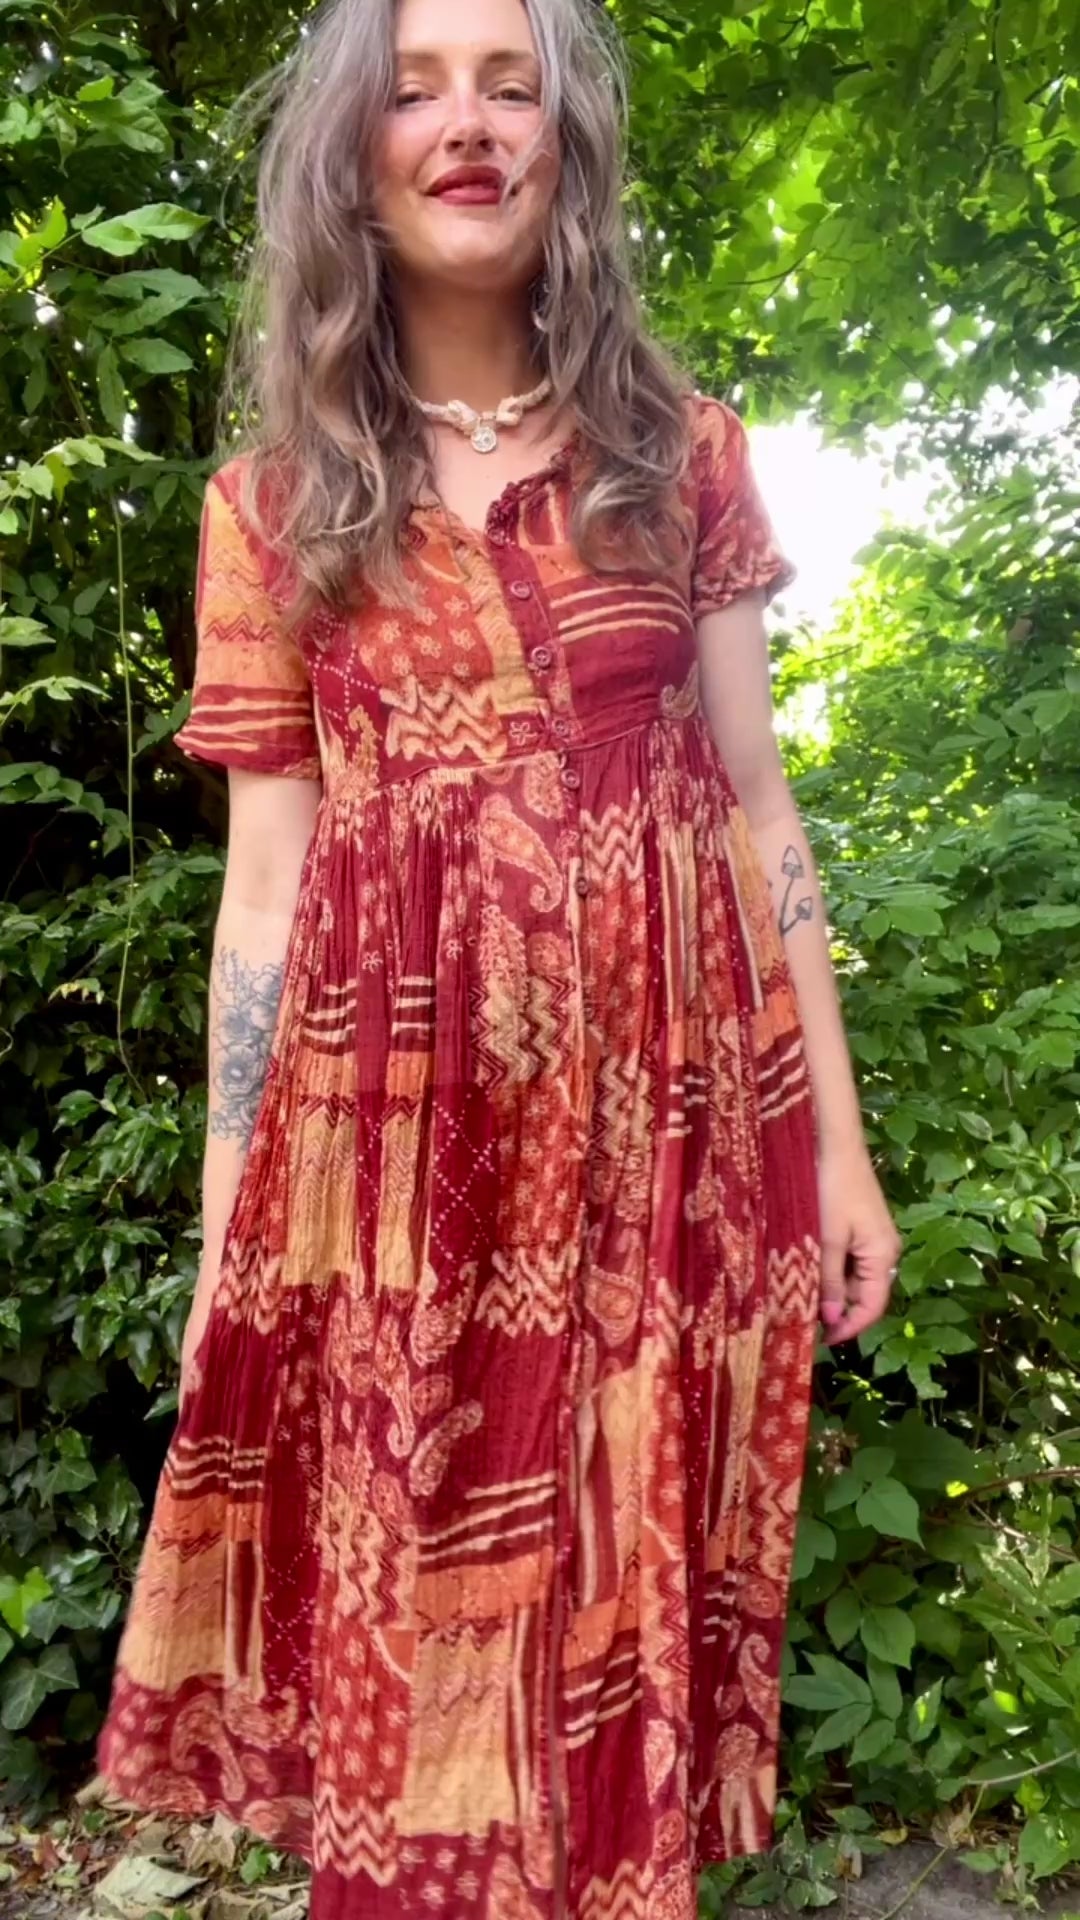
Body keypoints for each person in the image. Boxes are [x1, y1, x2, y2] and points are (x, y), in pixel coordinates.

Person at [97, 0, 902, 1913]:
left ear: (568, 150)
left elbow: (757, 807)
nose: (466, 123)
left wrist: (840, 1149)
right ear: (350, 162)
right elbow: (266, 896)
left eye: (511, 84)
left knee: (621, 1596)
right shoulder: (271, 508)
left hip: (662, 1151)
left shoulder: (681, 456)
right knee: (411, 1646)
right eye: (415, 89)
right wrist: (231, 1238)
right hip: (399, 1172)